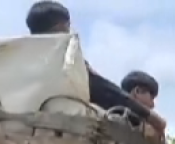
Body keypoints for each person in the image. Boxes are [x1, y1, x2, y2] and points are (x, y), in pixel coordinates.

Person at [25, 1, 166, 136]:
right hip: (64, 132)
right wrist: (149, 116)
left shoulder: (18, 57)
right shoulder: (65, 59)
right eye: (67, 28)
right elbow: (103, 90)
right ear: (62, 27)